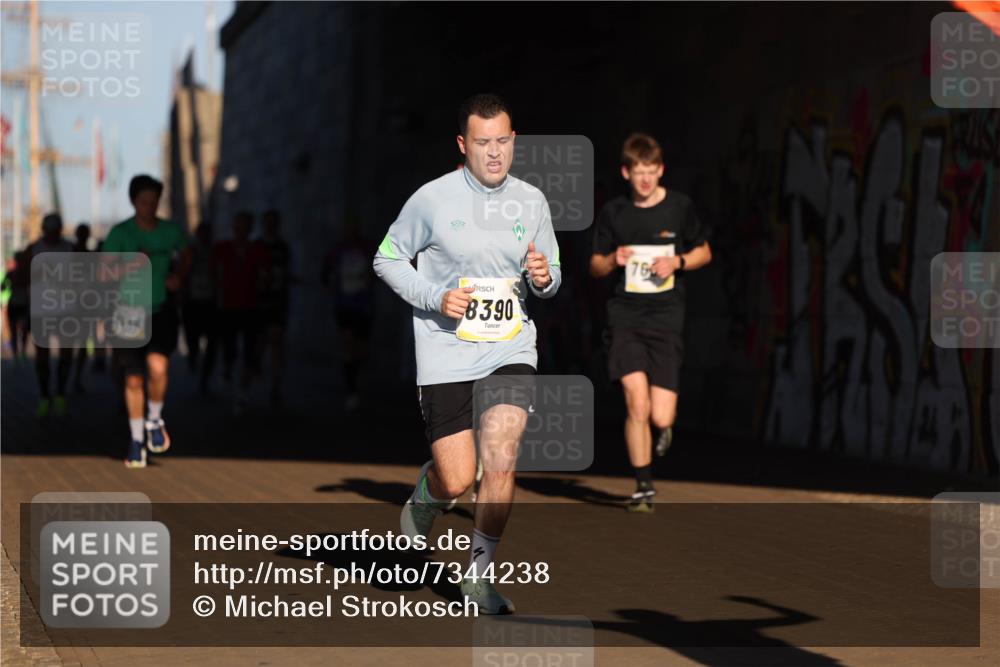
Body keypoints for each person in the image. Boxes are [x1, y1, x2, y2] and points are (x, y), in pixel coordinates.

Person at [373, 93, 561, 614]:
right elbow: (386, 259)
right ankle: (425, 500)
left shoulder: (533, 201)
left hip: (510, 346)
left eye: (503, 141)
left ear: (514, 140)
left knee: (500, 457)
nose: (495, 153)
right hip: (446, 350)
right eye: (483, 143)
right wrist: (436, 297)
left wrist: (545, 279)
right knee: (456, 478)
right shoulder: (431, 200)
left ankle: (479, 577)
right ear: (463, 144)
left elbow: (549, 275)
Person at [590, 133, 712, 512]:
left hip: (666, 318)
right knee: (636, 404)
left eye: (651, 171)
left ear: (661, 170)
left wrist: (677, 262)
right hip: (625, 317)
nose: (645, 179)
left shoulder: (679, 208)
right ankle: (643, 487)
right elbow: (594, 266)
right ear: (626, 172)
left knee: (661, 414)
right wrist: (614, 260)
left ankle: (665, 428)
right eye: (638, 172)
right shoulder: (614, 213)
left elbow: (705, 251)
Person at [103, 175, 192, 468]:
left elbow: (188, 250)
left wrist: (179, 274)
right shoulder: (120, 233)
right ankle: (137, 441)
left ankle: (154, 419)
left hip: (160, 309)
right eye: (144, 202)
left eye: (154, 203)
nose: (149, 208)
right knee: (133, 379)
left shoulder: (169, 232)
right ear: (133, 202)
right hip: (128, 312)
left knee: (158, 367)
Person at [213, 211, 270, 414]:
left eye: (245, 226)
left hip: (250, 308)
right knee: (229, 349)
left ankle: (242, 393)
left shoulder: (257, 250)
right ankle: (228, 373)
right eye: (238, 225)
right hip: (228, 308)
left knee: (248, 351)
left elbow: (263, 277)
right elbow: (214, 275)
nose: (241, 230)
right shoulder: (222, 249)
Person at [322, 213, 373, 412]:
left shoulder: (367, 248)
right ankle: (351, 388)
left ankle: (356, 379)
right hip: (344, 304)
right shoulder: (338, 250)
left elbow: (382, 268)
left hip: (364, 304)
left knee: (362, 349)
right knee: (348, 343)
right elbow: (325, 270)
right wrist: (328, 285)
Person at [29, 214, 75, 417]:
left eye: (55, 229)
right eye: (49, 229)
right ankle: (44, 395)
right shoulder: (34, 249)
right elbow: (22, 276)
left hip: (66, 309)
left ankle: (60, 394)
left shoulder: (69, 249)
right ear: (43, 229)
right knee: (42, 356)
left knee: (66, 354)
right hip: (41, 310)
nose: (52, 233)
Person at [258, 209, 295, 408]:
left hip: (278, 302)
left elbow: (286, 272)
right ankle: (256, 373)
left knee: (276, 341)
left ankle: (275, 384)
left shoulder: (283, 247)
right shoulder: (258, 246)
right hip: (258, 303)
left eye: (274, 222)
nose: (271, 226)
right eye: (268, 222)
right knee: (260, 343)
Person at [181, 222, 219, 393]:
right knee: (193, 339)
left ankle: (204, 377)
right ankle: (193, 358)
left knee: (212, 343)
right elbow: (182, 274)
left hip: (211, 303)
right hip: (193, 304)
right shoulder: (190, 252)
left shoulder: (216, 253)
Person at [70, 222, 92, 393]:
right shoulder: (88, 255)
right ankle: (75, 377)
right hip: (78, 304)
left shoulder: (71, 254)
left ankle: (75, 377)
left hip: (81, 304)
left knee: (79, 343)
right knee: (78, 343)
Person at [3, 250, 31, 360]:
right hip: (18, 305)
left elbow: (3, 286)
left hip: (20, 305)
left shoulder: (23, 274)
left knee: (19, 330)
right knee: (17, 330)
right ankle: (19, 353)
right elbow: (3, 286)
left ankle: (19, 353)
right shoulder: (16, 274)